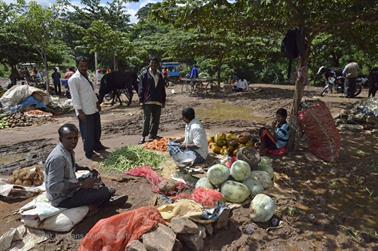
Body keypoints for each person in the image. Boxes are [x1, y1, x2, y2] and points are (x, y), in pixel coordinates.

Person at [44, 123, 114, 208]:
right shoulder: (58, 158)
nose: (73, 141)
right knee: (106, 192)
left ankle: (97, 196)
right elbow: (54, 187)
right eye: (69, 138)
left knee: (93, 176)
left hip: (70, 189)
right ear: (61, 139)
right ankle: (95, 205)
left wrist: (82, 168)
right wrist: (81, 185)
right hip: (62, 199)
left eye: (75, 138)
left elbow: (68, 165)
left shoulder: (66, 150)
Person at [68, 56, 108, 160]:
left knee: (96, 130)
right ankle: (89, 152)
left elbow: (91, 92)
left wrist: (97, 103)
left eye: (85, 65)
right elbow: (75, 97)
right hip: (84, 111)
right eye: (81, 66)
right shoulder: (74, 79)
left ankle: (97, 146)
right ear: (77, 66)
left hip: (93, 108)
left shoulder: (87, 76)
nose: (84, 67)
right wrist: (79, 111)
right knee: (87, 133)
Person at [138, 56, 167, 144]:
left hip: (158, 100)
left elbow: (162, 88)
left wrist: (163, 100)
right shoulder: (144, 74)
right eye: (151, 63)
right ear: (149, 64)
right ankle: (143, 136)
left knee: (156, 119)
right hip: (147, 100)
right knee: (147, 119)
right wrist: (141, 101)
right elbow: (141, 88)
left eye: (155, 63)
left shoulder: (159, 75)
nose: (153, 64)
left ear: (157, 65)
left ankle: (152, 135)